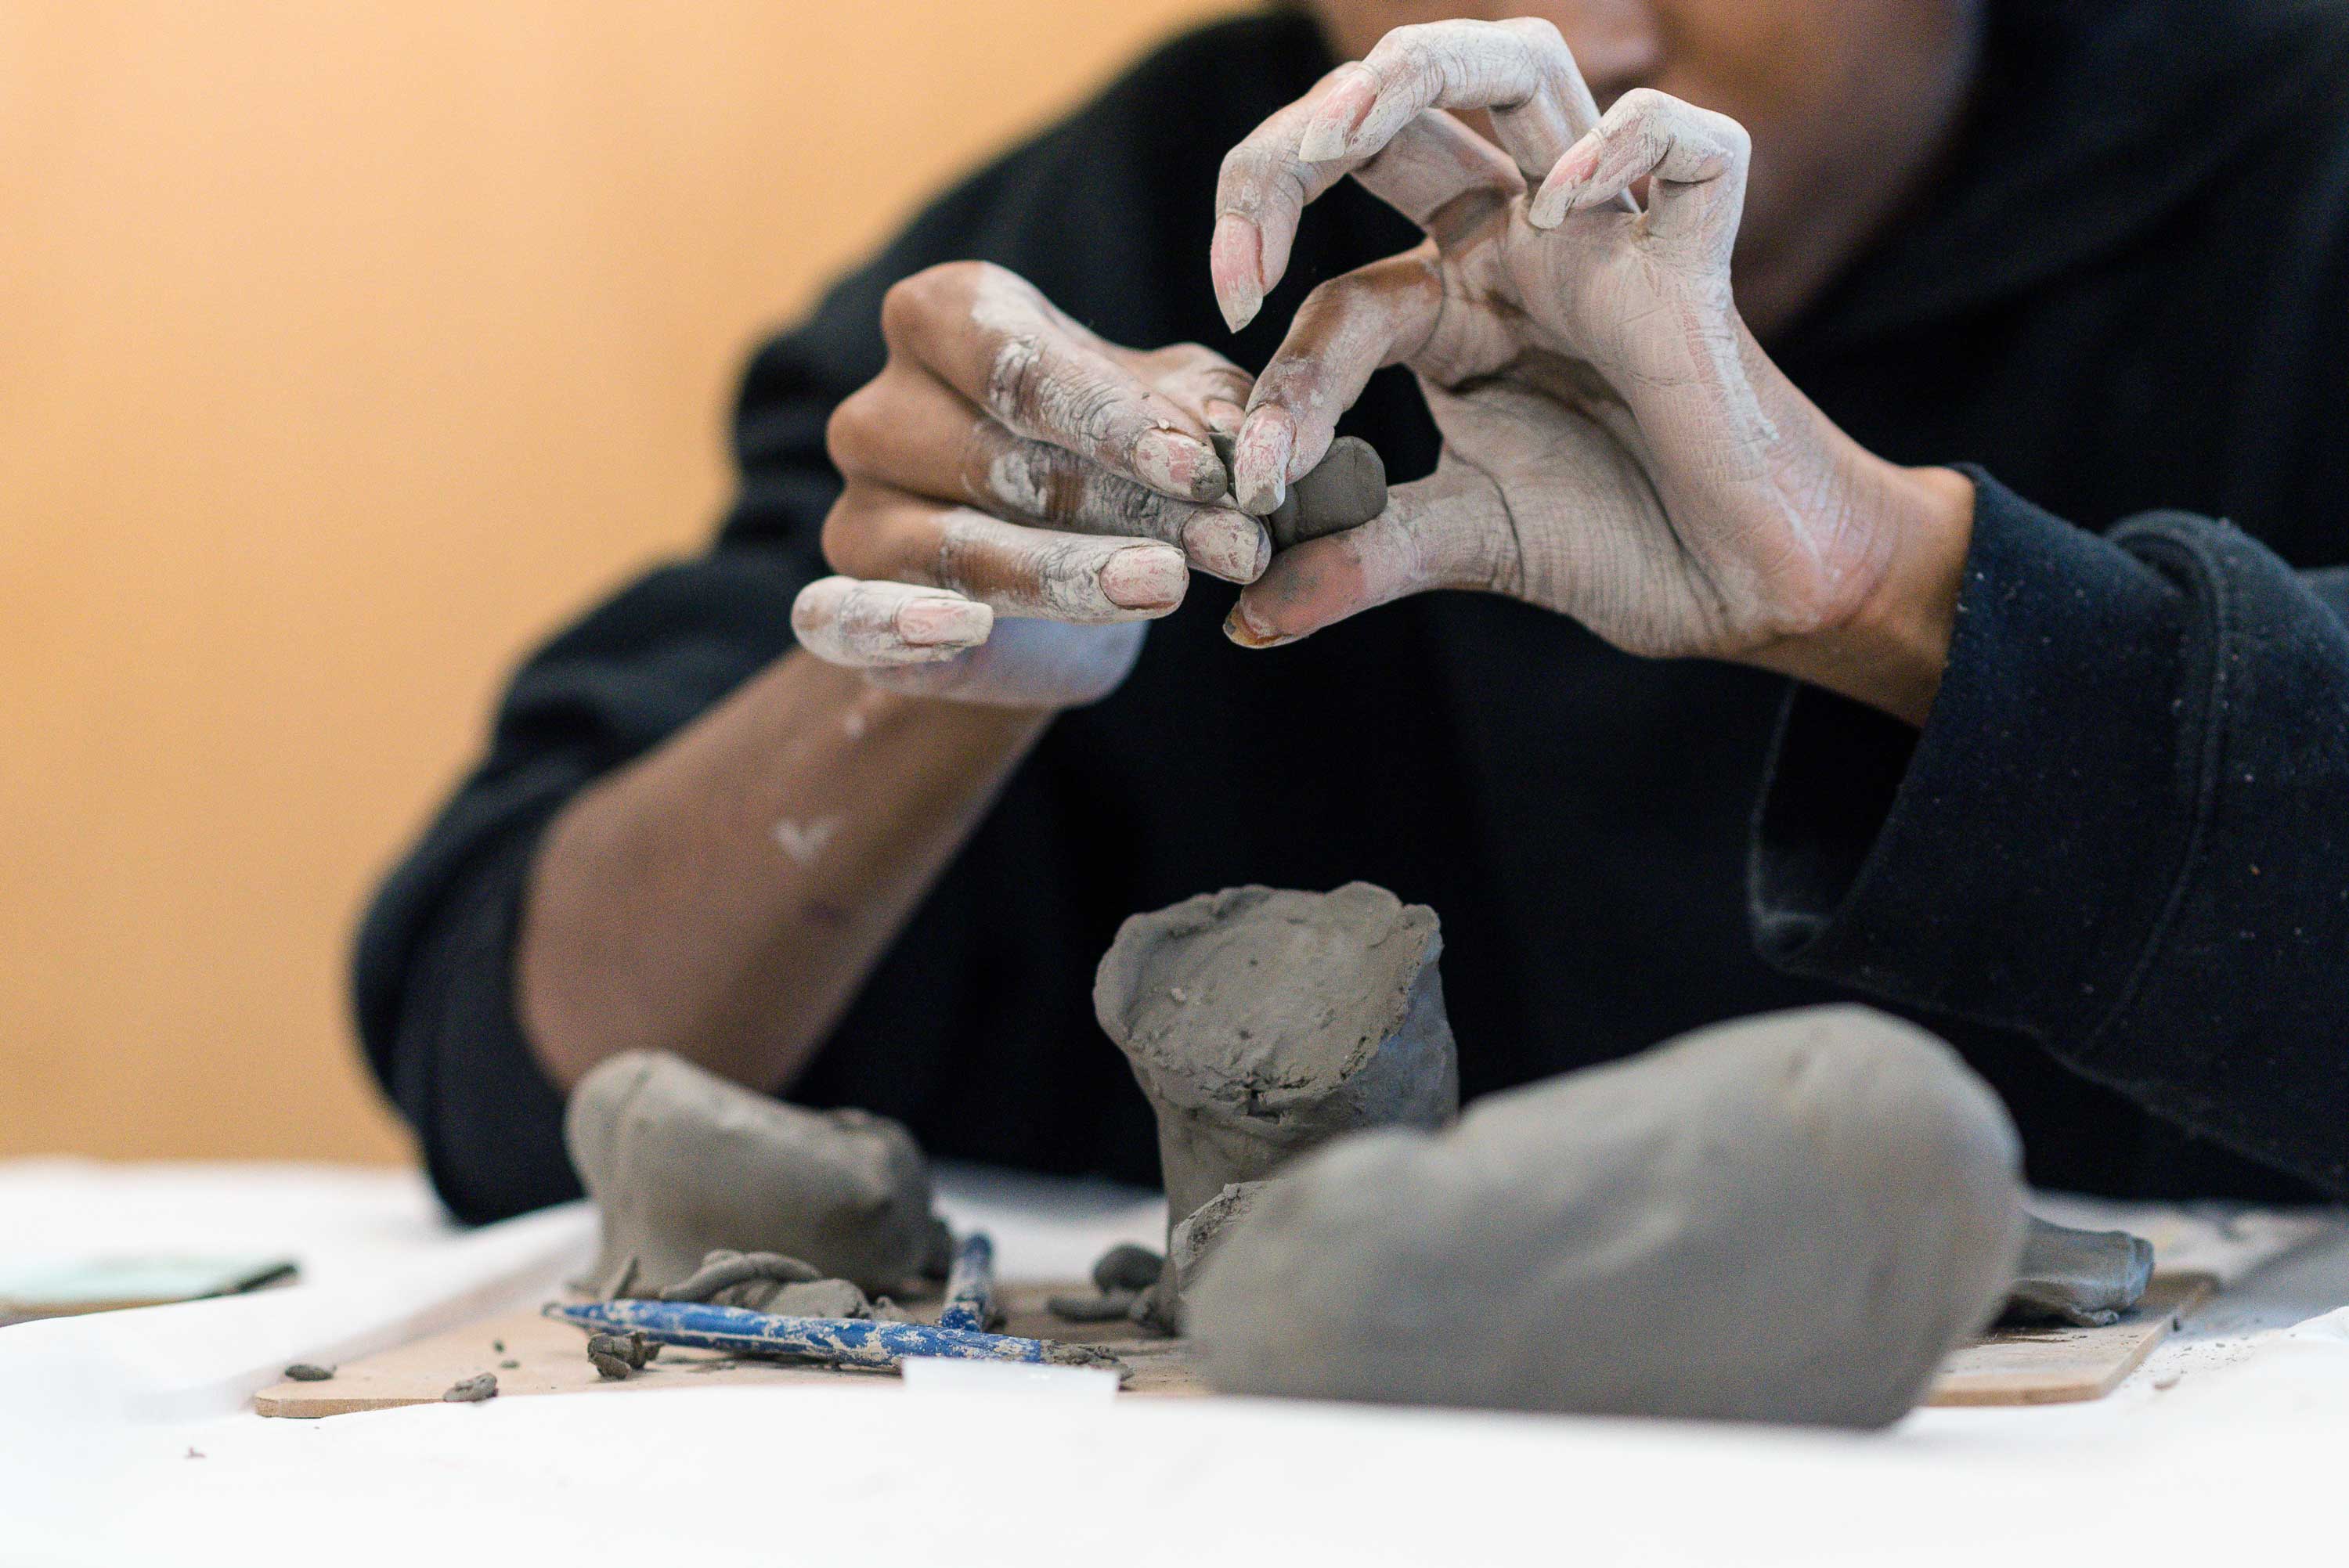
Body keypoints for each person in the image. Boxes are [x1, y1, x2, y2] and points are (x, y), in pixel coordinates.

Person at [357, 0, 2349, 1224]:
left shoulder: (2296, 168)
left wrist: (1883, 584)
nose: (1570, 34)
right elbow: (517, 1079)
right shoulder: (1162, 219)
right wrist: (958, 665)